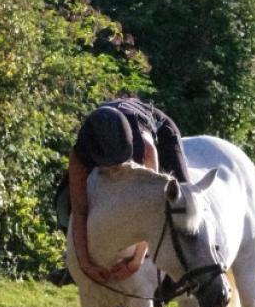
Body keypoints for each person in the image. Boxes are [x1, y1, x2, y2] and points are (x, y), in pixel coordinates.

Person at [53, 97, 190, 290]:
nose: (117, 169)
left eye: (120, 162)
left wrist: (137, 260)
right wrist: (84, 264)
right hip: (110, 130)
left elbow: (151, 206)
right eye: (112, 164)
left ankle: (193, 263)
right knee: (63, 201)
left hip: (159, 129)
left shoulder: (146, 147)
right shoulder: (80, 155)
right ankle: (68, 267)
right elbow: (80, 210)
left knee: (183, 198)